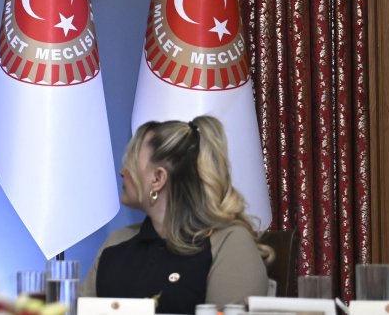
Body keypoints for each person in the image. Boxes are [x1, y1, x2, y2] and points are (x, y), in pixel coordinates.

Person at [80, 116, 269, 313]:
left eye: (132, 162)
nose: (122, 172)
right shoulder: (116, 243)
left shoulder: (228, 242)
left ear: (158, 179)